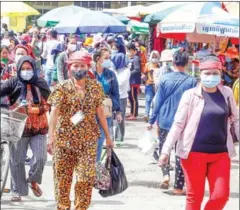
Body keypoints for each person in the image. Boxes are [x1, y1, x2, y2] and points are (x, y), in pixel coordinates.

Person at [159, 55, 239, 210]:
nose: (211, 77)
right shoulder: (190, 95)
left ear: (220, 74)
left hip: (221, 154)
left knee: (220, 197)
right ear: (200, 74)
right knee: (195, 197)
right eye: (207, 73)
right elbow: (178, 125)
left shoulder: (227, 94)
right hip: (193, 153)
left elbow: (236, 120)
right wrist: (166, 150)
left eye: (215, 73)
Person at [47, 51, 113, 210]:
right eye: (75, 66)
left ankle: (80, 207)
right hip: (64, 141)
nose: (78, 69)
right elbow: (54, 113)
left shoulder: (95, 87)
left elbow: (100, 112)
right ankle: (63, 207)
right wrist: (50, 138)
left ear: (88, 66)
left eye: (82, 65)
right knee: (63, 180)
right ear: (70, 68)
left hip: (88, 140)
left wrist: (108, 136)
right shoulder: (61, 88)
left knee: (85, 179)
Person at [0, 56, 51, 201]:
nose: (26, 71)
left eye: (29, 69)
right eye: (23, 69)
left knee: (41, 157)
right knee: (17, 161)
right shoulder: (13, 82)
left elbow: (50, 103)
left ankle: (33, 180)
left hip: (38, 127)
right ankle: (17, 191)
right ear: (18, 69)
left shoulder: (41, 83)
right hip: (17, 127)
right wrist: (8, 106)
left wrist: (36, 110)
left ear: (34, 69)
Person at [148, 49, 197, 195]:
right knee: (180, 153)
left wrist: (151, 120)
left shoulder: (164, 79)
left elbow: (158, 101)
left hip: (164, 120)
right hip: (183, 123)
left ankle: (165, 175)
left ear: (173, 62)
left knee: (165, 148)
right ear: (187, 63)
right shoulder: (192, 81)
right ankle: (178, 186)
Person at [93, 48, 122, 161]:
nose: (108, 60)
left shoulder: (111, 74)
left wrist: (118, 111)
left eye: (109, 58)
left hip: (106, 109)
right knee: (91, 140)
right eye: (106, 58)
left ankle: (96, 167)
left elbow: (116, 93)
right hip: (91, 109)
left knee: (100, 140)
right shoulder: (89, 74)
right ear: (98, 59)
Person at [111, 44, 130, 146]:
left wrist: (113, 75)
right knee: (110, 116)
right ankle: (110, 137)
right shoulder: (114, 70)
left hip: (122, 96)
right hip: (113, 96)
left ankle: (119, 137)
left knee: (120, 117)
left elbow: (120, 83)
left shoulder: (126, 71)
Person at [142, 50, 160, 122]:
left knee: (155, 101)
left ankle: (153, 115)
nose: (154, 58)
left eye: (156, 57)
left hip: (157, 85)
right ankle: (146, 114)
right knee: (148, 99)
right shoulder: (148, 64)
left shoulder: (160, 65)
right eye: (153, 56)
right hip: (149, 84)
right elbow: (144, 73)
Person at [126, 43, 141, 120]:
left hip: (134, 81)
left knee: (134, 98)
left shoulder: (136, 58)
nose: (128, 52)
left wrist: (128, 73)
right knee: (131, 98)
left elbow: (137, 69)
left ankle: (134, 114)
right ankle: (132, 112)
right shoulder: (132, 58)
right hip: (131, 81)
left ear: (132, 50)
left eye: (128, 50)